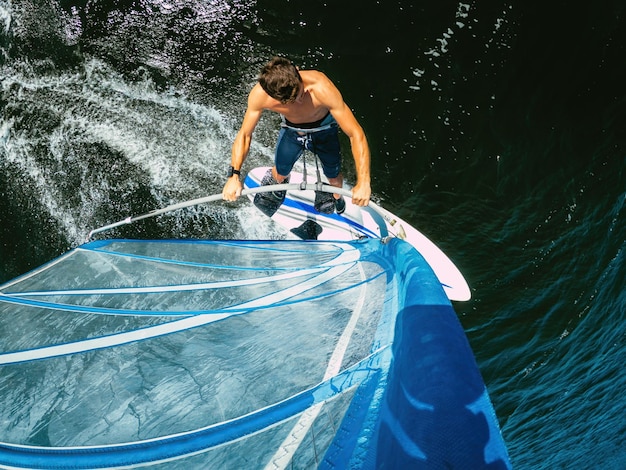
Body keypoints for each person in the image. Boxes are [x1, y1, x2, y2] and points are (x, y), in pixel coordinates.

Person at [222, 56, 371, 215]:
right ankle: (277, 180)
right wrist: (234, 176)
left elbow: (356, 134)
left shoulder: (321, 87)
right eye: (291, 101)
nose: (300, 101)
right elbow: (245, 134)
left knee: (334, 180)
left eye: (300, 93)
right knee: (280, 173)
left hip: (324, 131)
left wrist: (363, 182)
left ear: (298, 72)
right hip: (292, 131)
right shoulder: (260, 95)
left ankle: (336, 196)